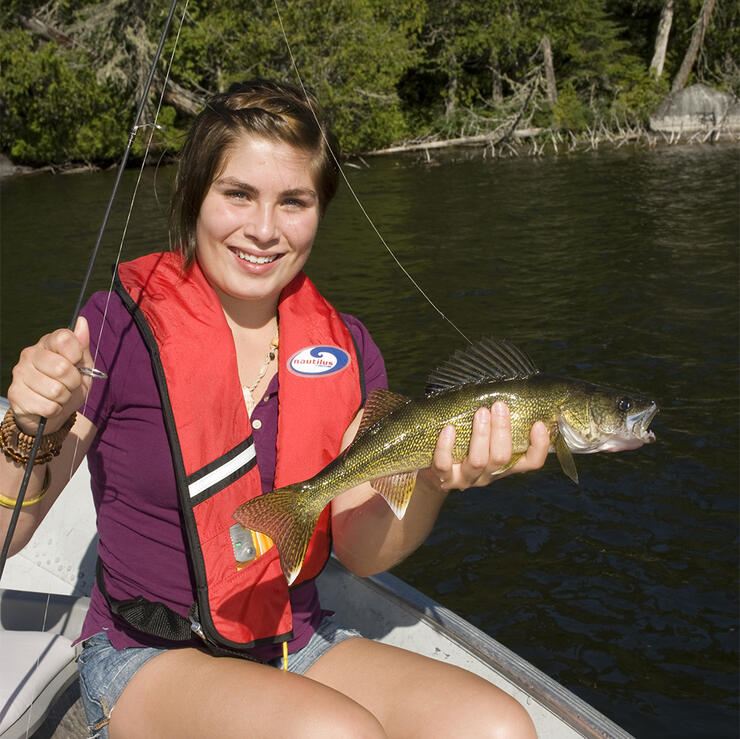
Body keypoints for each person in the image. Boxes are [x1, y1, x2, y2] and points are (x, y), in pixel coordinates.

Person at [0, 79, 551, 738]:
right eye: (238, 194)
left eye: (293, 201)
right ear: (193, 195)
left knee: (496, 726)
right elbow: (14, 528)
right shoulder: (117, 324)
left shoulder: (348, 349)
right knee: (327, 733)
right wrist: (25, 422)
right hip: (147, 655)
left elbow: (363, 549)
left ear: (320, 208)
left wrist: (432, 479)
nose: (264, 230)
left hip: (296, 642)